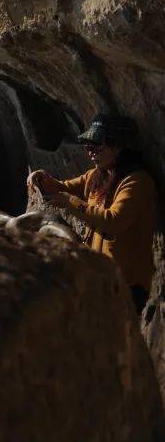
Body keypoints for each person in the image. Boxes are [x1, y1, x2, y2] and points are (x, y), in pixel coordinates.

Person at [29, 114, 156, 313]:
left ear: (119, 146)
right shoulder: (98, 175)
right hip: (101, 275)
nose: (90, 152)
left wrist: (69, 202)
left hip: (125, 284)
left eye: (97, 146)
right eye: (88, 146)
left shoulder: (136, 182)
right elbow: (62, 187)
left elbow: (114, 221)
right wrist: (43, 179)